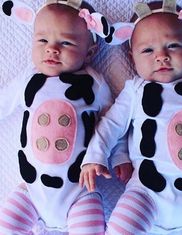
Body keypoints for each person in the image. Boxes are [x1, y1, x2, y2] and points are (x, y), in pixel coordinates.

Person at [79, 0, 182, 234]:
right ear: (132, 57)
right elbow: (111, 125)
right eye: (148, 50)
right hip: (146, 196)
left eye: (173, 45)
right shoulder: (136, 90)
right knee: (121, 228)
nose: (161, 56)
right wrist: (95, 156)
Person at [0, 0, 132, 234]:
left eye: (66, 42)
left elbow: (113, 125)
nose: (52, 49)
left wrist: (121, 156)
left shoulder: (94, 84)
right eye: (43, 40)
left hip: (80, 192)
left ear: (89, 52)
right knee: (6, 225)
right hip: (32, 192)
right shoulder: (28, 80)